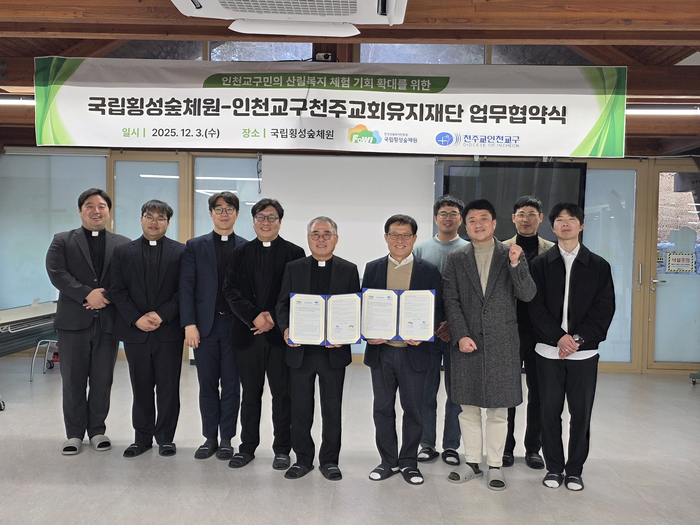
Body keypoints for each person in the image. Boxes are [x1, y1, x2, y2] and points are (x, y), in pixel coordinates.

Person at [442, 199, 536, 491]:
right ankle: (471, 462)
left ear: (494, 223)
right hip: (467, 342)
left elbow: (528, 294)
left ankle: (495, 465)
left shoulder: (511, 253)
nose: (478, 224)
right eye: (472, 220)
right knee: (467, 407)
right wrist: (460, 334)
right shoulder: (456, 258)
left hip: (502, 343)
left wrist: (516, 265)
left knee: (498, 410)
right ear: (465, 225)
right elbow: (451, 300)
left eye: (484, 219)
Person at [528, 203, 615, 491]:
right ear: (552, 227)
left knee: (581, 414)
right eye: (560, 220)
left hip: (584, 353)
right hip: (547, 352)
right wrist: (558, 338)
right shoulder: (540, 264)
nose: (566, 224)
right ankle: (554, 468)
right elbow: (534, 307)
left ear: (581, 225)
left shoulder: (599, 266)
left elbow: (604, 309)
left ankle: (575, 470)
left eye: (572, 219)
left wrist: (577, 339)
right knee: (549, 412)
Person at [45, 188, 130, 455]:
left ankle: (97, 431)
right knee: (73, 380)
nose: (96, 210)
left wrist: (104, 296)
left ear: (109, 211)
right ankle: (74, 434)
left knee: (103, 380)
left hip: (107, 323)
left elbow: (127, 278)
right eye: (90, 206)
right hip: (72, 324)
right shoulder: (62, 240)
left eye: (102, 206)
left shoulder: (123, 244)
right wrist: (86, 293)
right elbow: (56, 272)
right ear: (80, 211)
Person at [223, 198, 305, 471]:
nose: (266, 222)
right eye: (261, 217)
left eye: (272, 217)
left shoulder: (294, 252)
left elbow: (296, 293)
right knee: (250, 394)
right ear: (253, 220)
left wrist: (272, 318)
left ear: (280, 222)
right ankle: (247, 447)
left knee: (282, 395)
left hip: (280, 337)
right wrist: (254, 316)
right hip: (247, 334)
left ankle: (282, 449)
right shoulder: (239, 252)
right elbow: (230, 290)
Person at [276, 216, 361, 481]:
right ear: (308, 238)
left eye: (327, 234)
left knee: (332, 410)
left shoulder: (348, 269)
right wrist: (286, 329)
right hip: (300, 352)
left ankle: (330, 461)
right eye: (315, 234)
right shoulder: (294, 268)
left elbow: (354, 308)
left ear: (336, 238)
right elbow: (282, 305)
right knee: (300, 409)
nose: (321, 239)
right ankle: (303, 459)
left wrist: (347, 335)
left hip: (333, 353)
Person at [362, 214, 443, 486]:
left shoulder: (429, 270)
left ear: (414, 238)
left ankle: (408, 461)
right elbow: (364, 307)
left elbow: (439, 309)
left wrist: (425, 333)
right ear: (386, 237)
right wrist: (367, 333)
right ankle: (388, 461)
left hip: (414, 353)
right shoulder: (373, 268)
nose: (400, 240)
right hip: (382, 352)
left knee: (413, 410)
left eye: (405, 235)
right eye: (394, 234)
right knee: (382, 408)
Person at [110, 200, 185, 458]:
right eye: (149, 216)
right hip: (136, 333)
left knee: (168, 388)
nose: (154, 222)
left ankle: (166, 439)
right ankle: (141, 439)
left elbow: (184, 290)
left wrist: (162, 314)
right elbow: (117, 290)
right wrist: (136, 318)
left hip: (168, 332)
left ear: (168, 222)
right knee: (140, 387)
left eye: (161, 218)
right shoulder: (123, 252)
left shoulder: (181, 252)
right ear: (141, 219)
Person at [179, 192, 247, 461]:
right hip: (204, 327)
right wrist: (189, 324)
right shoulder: (195, 246)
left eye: (229, 209)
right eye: (218, 209)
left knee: (231, 385)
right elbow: (186, 287)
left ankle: (227, 438)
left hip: (234, 326)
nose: (224, 213)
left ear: (237, 214)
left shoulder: (246, 247)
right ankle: (209, 437)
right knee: (207, 384)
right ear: (210, 214)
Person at [413, 195, 469, 466]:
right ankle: (426, 444)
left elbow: (471, 296)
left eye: (454, 213)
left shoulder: (469, 249)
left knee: (456, 394)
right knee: (426, 392)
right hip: (427, 333)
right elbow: (414, 293)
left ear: (461, 219)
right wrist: (433, 324)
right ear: (435, 218)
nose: (448, 218)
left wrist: (452, 324)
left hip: (459, 333)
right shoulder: (420, 249)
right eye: (443, 213)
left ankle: (451, 446)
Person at [501, 195, 554, 469]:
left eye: (532, 214)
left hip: (541, 332)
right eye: (521, 214)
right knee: (508, 391)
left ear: (541, 218)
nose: (526, 219)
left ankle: (534, 448)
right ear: (513, 218)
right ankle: (505, 448)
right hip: (510, 329)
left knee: (539, 391)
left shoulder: (552, 250)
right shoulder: (501, 249)